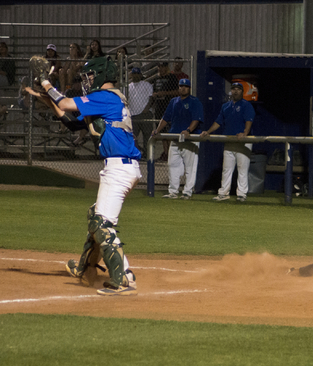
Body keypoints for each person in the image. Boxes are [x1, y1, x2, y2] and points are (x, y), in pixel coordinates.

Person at [28, 55, 141, 296]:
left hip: (120, 167)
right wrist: (48, 99)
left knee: (102, 223)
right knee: (95, 217)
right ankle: (86, 269)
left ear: (101, 75)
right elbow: (71, 122)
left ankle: (124, 280)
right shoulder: (105, 101)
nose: (87, 80)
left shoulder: (107, 96)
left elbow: (67, 103)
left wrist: (46, 83)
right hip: (120, 166)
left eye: (89, 75)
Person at [201, 82, 255, 202]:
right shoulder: (226, 106)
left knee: (242, 169)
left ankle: (241, 194)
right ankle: (224, 193)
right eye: (233, 89)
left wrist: (245, 133)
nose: (235, 91)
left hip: (243, 142)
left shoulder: (247, 105)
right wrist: (208, 131)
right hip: (229, 141)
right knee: (227, 169)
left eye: (238, 89)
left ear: (242, 91)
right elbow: (218, 121)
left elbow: (249, 121)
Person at [152, 78, 204, 200]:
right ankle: (173, 191)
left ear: (189, 88)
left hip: (190, 139)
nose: (183, 88)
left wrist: (189, 130)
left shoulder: (195, 101)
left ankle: (187, 192)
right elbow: (166, 118)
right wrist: (158, 130)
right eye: (181, 86)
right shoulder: (173, 101)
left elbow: (196, 119)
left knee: (190, 167)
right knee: (172, 165)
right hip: (175, 138)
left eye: (185, 86)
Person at [151, 62, 179, 161]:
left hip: (168, 105)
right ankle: (166, 152)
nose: (160, 68)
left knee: (170, 129)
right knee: (161, 130)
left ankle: (171, 151)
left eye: (162, 66)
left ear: (166, 67)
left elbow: (177, 92)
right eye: (159, 66)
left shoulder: (171, 77)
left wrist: (165, 93)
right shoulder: (156, 79)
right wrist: (155, 95)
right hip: (159, 106)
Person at [128, 67, 154, 158]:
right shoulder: (129, 86)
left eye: (137, 74)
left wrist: (146, 109)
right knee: (133, 136)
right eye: (134, 74)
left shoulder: (146, 84)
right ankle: (136, 153)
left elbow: (151, 98)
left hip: (144, 113)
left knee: (147, 136)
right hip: (133, 114)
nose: (135, 75)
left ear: (140, 75)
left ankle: (147, 154)